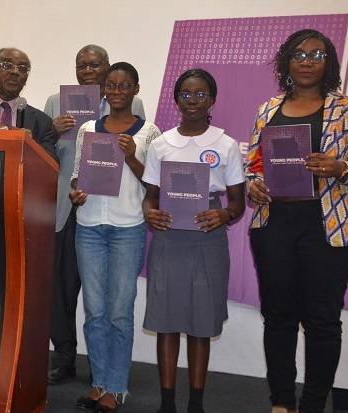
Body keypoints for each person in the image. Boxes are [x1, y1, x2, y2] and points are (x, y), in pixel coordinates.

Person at [246, 29, 348, 413]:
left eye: (317, 54)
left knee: (322, 321)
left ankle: (313, 405)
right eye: (299, 54)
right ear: (286, 61)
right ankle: (282, 403)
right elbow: (253, 163)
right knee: (278, 317)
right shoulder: (267, 109)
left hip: (329, 228)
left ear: (329, 62)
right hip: (275, 226)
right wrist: (254, 183)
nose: (307, 61)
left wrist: (341, 167)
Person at [142, 68, 245, 413]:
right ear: (176, 99)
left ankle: (196, 404)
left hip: (207, 238)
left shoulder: (226, 144)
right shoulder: (161, 144)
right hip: (169, 238)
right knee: (167, 322)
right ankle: (167, 402)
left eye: (200, 94)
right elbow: (150, 196)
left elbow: (238, 202)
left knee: (201, 324)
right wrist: (149, 213)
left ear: (212, 99)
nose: (192, 100)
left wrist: (224, 215)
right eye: (186, 94)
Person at [43, 44, 146, 385]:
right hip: (68, 203)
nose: (87, 70)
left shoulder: (135, 108)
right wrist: (53, 131)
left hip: (115, 209)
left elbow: (146, 163)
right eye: (81, 64)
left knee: (106, 300)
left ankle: (103, 373)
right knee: (63, 286)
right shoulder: (56, 103)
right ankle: (66, 357)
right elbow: (43, 152)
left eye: (94, 64)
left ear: (107, 69)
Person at [68, 62, 160, 413]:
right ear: (103, 89)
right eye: (111, 85)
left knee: (119, 312)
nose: (117, 91)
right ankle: (99, 382)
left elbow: (154, 185)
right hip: (89, 227)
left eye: (124, 85)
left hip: (127, 229)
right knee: (93, 311)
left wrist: (131, 157)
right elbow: (78, 175)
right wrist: (76, 192)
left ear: (135, 89)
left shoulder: (149, 132)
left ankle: (116, 387)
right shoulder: (88, 128)